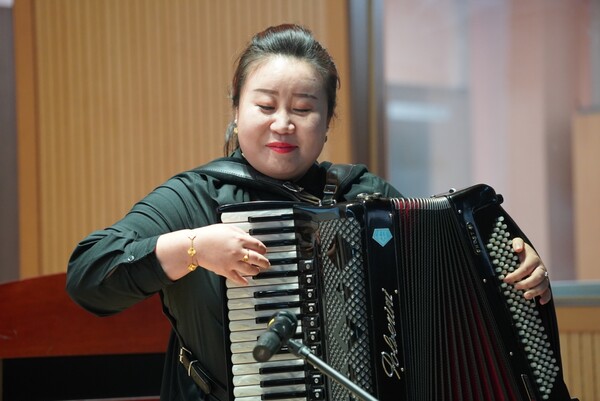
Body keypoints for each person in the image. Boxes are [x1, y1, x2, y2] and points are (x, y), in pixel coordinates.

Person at [66, 24, 553, 401]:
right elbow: (88, 275)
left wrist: (515, 278)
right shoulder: (194, 199)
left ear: (326, 123)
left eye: (303, 107)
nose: (283, 123)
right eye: (265, 105)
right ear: (237, 113)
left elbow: (437, 295)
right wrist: (192, 247)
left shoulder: (367, 197)